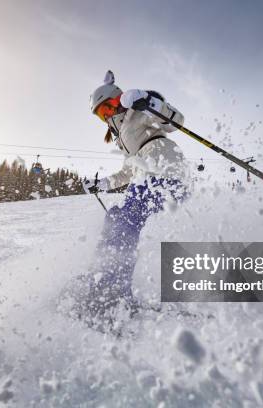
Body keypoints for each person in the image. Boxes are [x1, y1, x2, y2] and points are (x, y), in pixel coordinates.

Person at [74, 70, 189, 329]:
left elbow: (176, 122)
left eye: (109, 107)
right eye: (101, 114)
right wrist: (101, 183)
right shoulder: (123, 136)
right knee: (115, 217)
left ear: (118, 99)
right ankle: (102, 279)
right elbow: (128, 171)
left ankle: (111, 291)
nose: (108, 115)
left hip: (165, 172)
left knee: (124, 219)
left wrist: (149, 101)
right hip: (146, 176)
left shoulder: (138, 110)